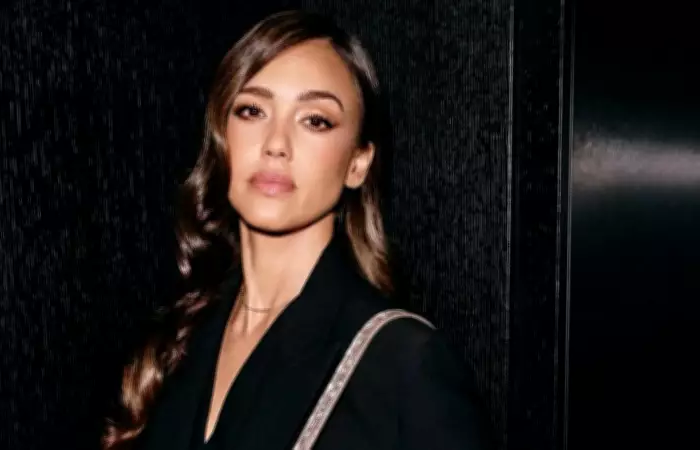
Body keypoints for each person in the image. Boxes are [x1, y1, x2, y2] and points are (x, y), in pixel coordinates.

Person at [103, 10, 491, 450]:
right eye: (252, 111)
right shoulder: (179, 339)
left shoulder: (406, 364)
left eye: (315, 120)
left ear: (358, 162)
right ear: (221, 136)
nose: (275, 144)